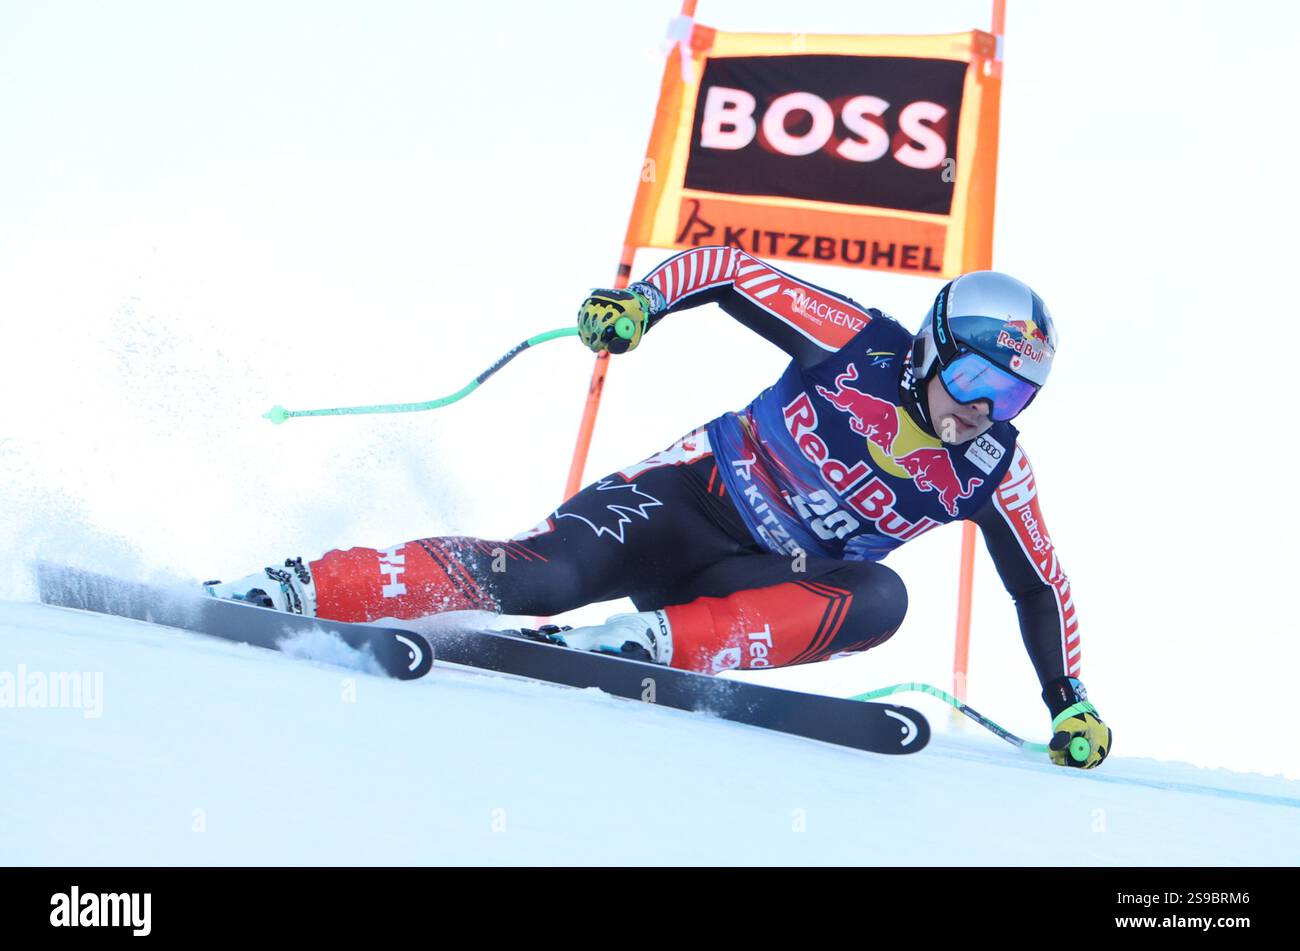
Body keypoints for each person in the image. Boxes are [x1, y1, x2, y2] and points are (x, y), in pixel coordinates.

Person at [210, 246, 1112, 769]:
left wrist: (1066, 701)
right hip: (685, 500)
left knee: (883, 598)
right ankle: (300, 585)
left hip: (759, 580)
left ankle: (652, 645)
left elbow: (1041, 586)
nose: (980, 411)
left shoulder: (995, 467)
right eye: (973, 379)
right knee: (543, 578)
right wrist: (641, 304)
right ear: (932, 347)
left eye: (1013, 397)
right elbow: (728, 270)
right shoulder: (858, 342)